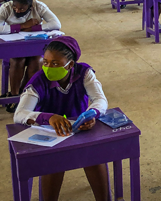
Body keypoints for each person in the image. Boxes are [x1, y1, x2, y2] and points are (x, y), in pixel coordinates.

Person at [14, 36, 109, 201]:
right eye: (46, 62)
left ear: (70, 65)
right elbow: (20, 114)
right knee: (54, 162)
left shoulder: (84, 73)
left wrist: (92, 113)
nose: (49, 67)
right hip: (49, 131)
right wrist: (48, 118)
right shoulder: (39, 81)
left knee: (94, 155)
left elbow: (100, 99)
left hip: (79, 128)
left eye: (55, 63)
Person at [0, 0, 62, 112]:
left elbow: (56, 24)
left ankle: (26, 95)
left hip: (33, 47)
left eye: (22, 9)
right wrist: (22, 26)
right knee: (18, 60)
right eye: (15, 8)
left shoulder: (38, 6)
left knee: (37, 62)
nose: (17, 11)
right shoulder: (6, 7)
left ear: (30, 7)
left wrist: (35, 28)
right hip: (14, 48)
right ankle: (14, 95)